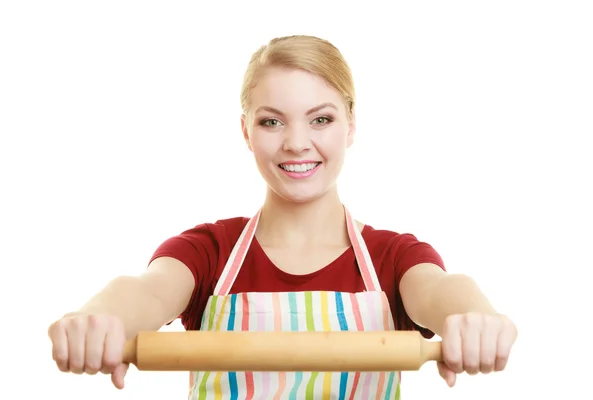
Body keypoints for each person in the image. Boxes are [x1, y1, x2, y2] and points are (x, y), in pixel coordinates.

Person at [47, 35, 518, 399]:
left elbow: (440, 289)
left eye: (321, 119)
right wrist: (102, 317)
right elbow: (145, 291)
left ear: (351, 125)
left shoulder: (392, 257)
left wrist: (475, 317)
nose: (296, 142)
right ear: (245, 132)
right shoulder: (209, 252)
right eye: (271, 121)